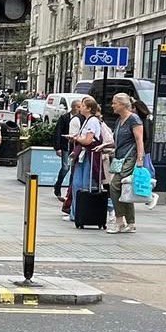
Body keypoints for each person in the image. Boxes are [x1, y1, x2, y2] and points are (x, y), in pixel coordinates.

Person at [105, 92, 146, 235]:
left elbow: (139, 140)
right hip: (119, 158)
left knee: (115, 185)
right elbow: (117, 140)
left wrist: (140, 159)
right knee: (124, 189)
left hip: (130, 158)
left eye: (114, 103)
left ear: (122, 105)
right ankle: (130, 222)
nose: (112, 106)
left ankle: (119, 221)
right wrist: (105, 146)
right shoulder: (119, 120)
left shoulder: (134, 119)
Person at [67, 96, 109, 219]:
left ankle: (84, 212)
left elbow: (88, 140)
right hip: (83, 155)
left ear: (89, 108)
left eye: (83, 106)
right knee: (77, 183)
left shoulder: (92, 121)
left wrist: (76, 138)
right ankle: (76, 213)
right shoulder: (87, 120)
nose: (81, 108)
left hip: (89, 155)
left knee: (86, 184)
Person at [53, 100, 73, 200]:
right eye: (78, 107)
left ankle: (69, 191)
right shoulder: (64, 118)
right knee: (65, 168)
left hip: (75, 148)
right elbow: (58, 132)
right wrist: (57, 147)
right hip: (66, 146)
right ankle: (58, 185)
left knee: (72, 169)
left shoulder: (81, 118)